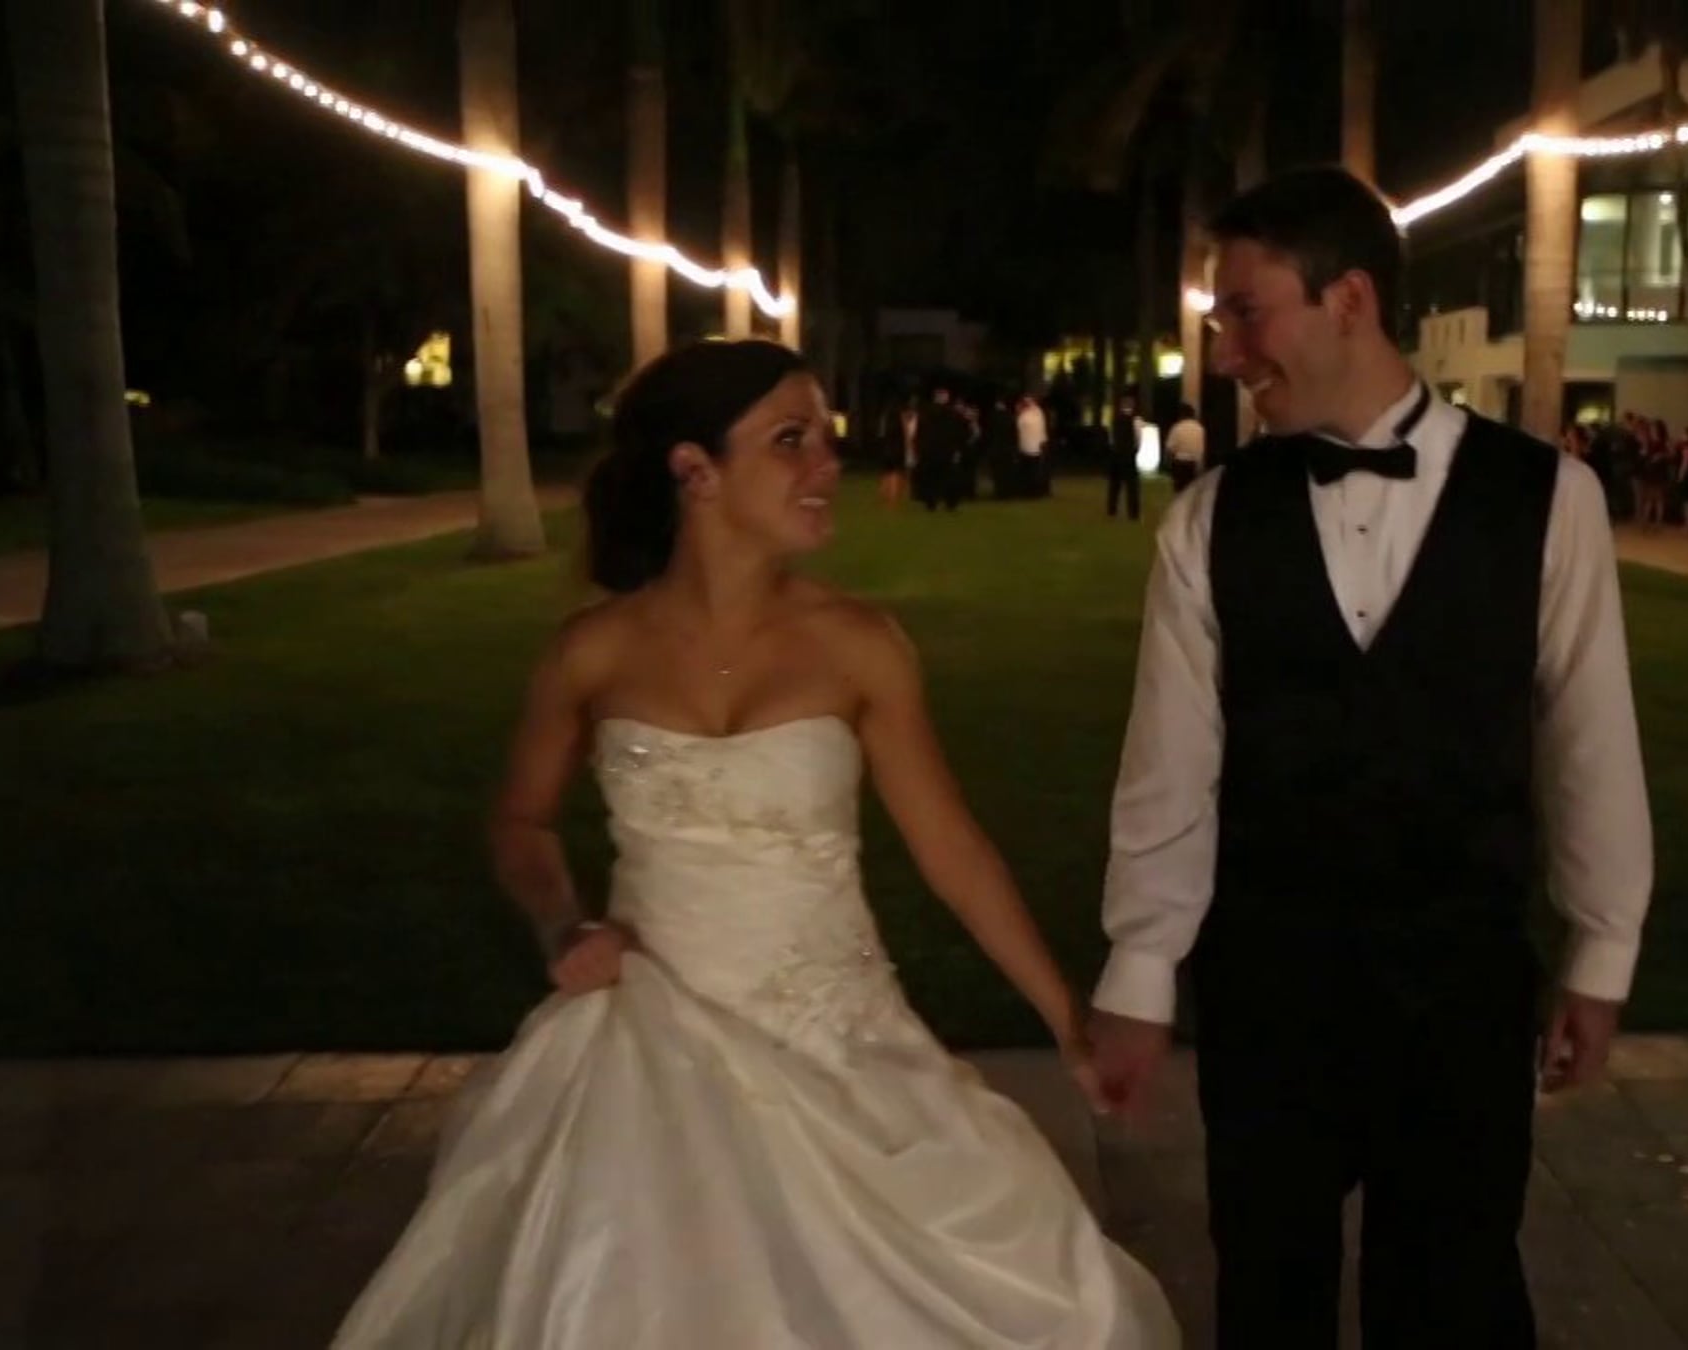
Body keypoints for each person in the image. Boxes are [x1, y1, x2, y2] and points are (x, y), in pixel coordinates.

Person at [331, 340, 1178, 1350]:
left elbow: (952, 850)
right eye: (790, 440)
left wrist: (1065, 1019)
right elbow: (521, 820)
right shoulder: (593, 652)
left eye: (822, 436)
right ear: (696, 471)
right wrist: (563, 925)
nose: (828, 462)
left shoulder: (859, 645)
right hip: (648, 1045)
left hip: (839, 1046)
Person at [1085, 167, 1653, 1348]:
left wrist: (1602, 949)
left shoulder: (1550, 499)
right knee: (1267, 1296)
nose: (1227, 351)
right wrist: (1140, 971)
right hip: (1269, 987)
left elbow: (1590, 739)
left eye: (1248, 313)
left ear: (1348, 299)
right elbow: (1170, 767)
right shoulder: (1209, 519)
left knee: (1456, 1298)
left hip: (1462, 982)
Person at [1106, 393, 1144, 521]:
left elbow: (1111, 438)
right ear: (1132, 406)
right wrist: (1135, 450)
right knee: (1132, 485)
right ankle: (1133, 513)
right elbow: (1139, 439)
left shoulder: (1115, 420)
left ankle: (1111, 510)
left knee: (1114, 484)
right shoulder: (1136, 420)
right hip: (1128, 454)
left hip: (1116, 454)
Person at [1163, 401, 1205, 492]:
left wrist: (1167, 464)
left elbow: (1169, 448)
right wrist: (1200, 466)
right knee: (1191, 492)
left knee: (1179, 491)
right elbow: (1201, 450)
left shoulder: (1177, 428)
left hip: (1180, 464)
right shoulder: (1200, 429)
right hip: (1193, 464)